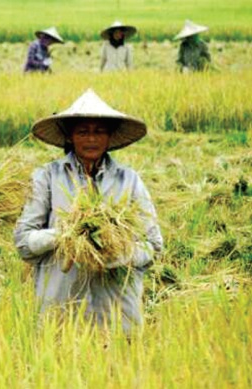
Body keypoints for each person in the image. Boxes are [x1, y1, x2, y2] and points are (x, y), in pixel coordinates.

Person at [14, 89, 163, 334]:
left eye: (99, 131)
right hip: (61, 313)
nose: (91, 139)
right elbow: (24, 242)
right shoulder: (47, 177)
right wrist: (64, 235)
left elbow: (153, 245)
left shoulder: (129, 180)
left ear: (109, 136)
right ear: (70, 136)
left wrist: (118, 253)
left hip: (118, 315)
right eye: (83, 131)